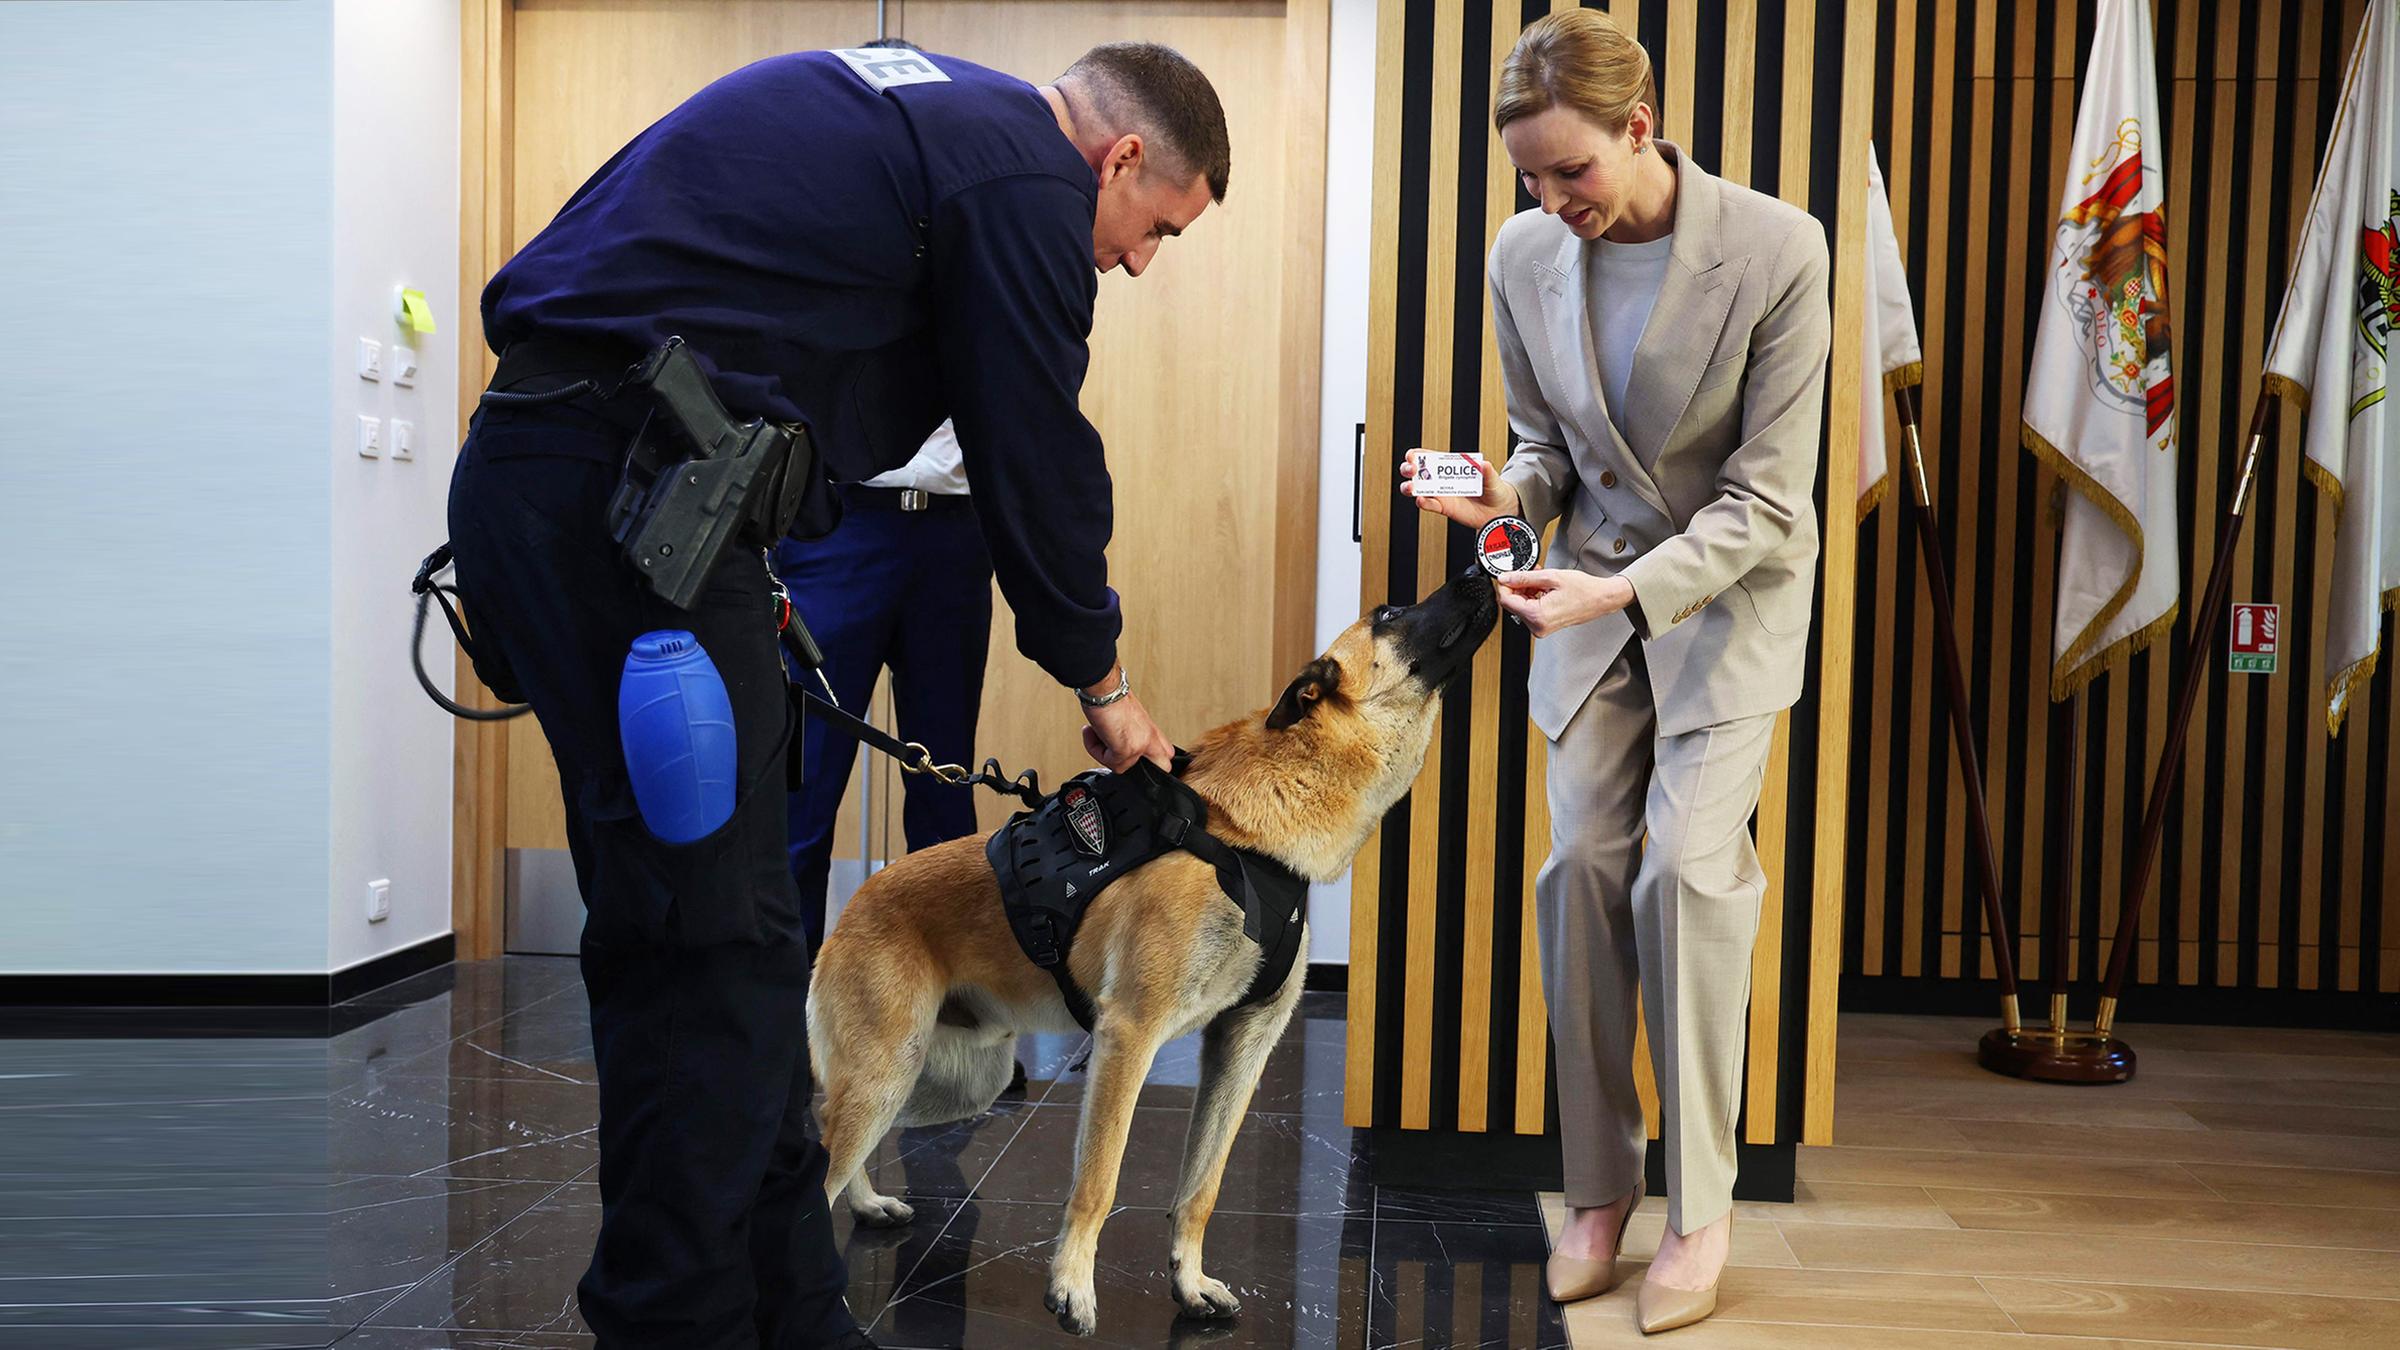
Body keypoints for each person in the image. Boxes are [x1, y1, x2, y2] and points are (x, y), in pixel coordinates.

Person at [446, 40, 1226, 1348]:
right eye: (1156, 228)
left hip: (610, 493)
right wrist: (1106, 684)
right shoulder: (1027, 179)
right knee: (695, 954)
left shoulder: (929, 112)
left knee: (741, 943)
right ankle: (670, 1320)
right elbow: (1034, 444)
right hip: (622, 503)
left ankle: (796, 1310)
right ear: (1123, 157)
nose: (1141, 260)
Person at [1402, 10, 1828, 1336]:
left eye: (1571, 171)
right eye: (1530, 177)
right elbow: (1545, 455)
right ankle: (1598, 1188)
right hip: (1587, 612)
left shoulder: (1778, 248)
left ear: (1641, 128)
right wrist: (1492, 493)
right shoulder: (1522, 254)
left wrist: (1627, 587)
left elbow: (1766, 500)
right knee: (1577, 869)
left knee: (1685, 872)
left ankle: (1700, 1207)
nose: (1550, 200)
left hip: (1723, 604)